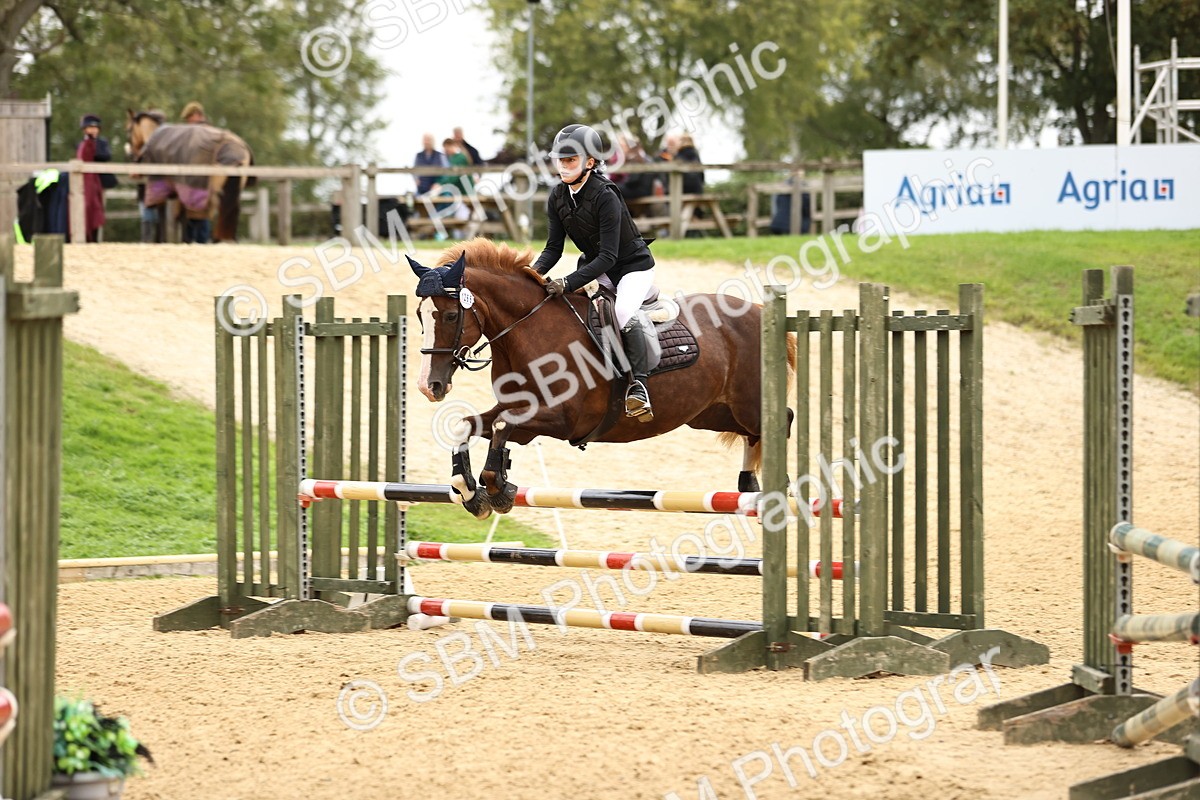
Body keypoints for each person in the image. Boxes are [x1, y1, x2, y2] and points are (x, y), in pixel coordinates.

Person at [532, 124, 657, 421]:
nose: (563, 166)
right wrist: (531, 273)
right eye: (560, 160)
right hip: (597, 267)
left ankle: (639, 385)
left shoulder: (606, 195)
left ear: (590, 162)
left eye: (570, 160)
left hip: (632, 268)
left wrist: (567, 281)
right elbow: (553, 249)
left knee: (623, 313)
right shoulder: (558, 196)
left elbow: (609, 255)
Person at [75, 114, 111, 243]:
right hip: (85, 182)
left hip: (100, 181)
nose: (94, 130)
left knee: (99, 210)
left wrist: (92, 149)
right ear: (85, 129)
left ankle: (97, 239)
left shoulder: (102, 142)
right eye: (91, 127)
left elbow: (106, 156)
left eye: (96, 128)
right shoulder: (80, 144)